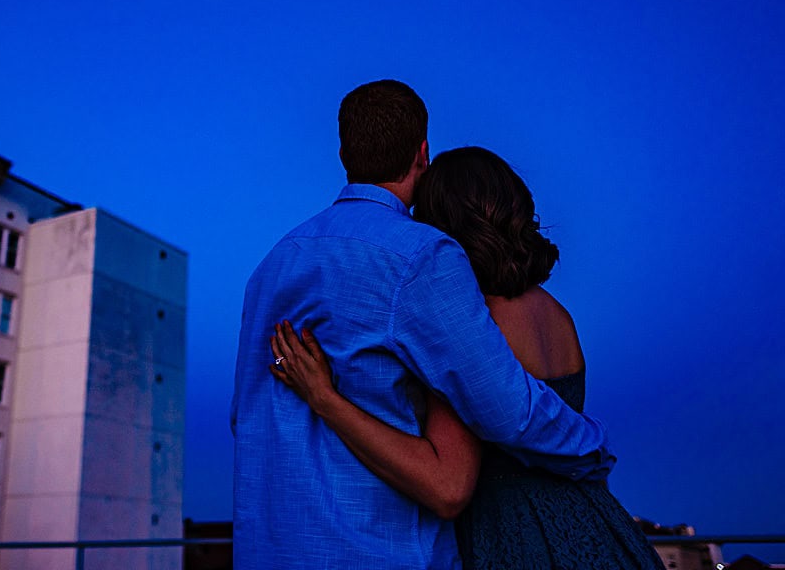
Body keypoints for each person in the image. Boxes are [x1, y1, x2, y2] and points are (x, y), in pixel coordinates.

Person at [229, 79, 615, 569]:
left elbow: (244, 418)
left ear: (345, 153)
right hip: (380, 553)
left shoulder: (270, 268)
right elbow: (505, 409)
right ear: (422, 152)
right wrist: (590, 445)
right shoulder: (420, 256)